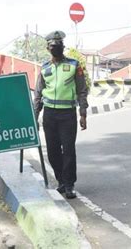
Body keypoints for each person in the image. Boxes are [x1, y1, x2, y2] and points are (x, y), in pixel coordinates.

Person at [34, 30, 88, 199]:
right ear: (48, 48)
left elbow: (82, 90)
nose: (56, 48)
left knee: (69, 150)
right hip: (49, 115)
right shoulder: (44, 68)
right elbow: (38, 94)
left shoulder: (74, 65)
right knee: (52, 151)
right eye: (53, 46)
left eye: (59, 46)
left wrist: (83, 113)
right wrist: (35, 117)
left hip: (68, 115)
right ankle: (61, 181)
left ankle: (70, 184)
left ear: (63, 47)